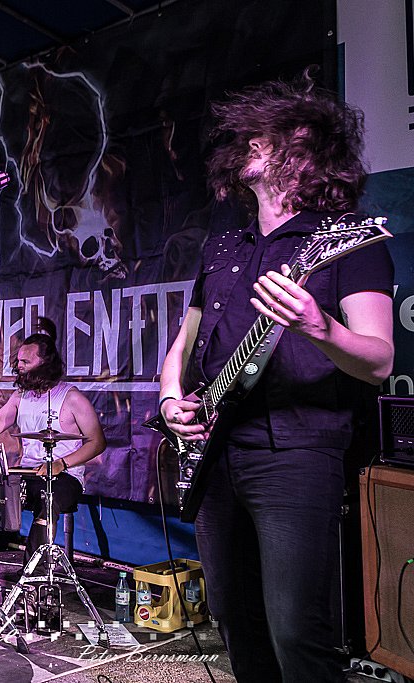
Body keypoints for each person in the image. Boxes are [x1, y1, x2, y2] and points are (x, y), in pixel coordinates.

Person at [158, 74, 394, 683]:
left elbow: (379, 360)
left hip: (295, 452)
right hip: (216, 452)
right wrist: (171, 400)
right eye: (252, 135)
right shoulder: (223, 247)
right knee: (234, 622)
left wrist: (320, 328)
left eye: (272, 134)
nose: (254, 143)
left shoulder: (346, 242)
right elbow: (182, 345)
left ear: (310, 152)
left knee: (297, 632)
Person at [0, 333, 106, 562]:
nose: (19, 367)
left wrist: (61, 463)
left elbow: (98, 442)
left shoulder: (71, 398)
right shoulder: (20, 396)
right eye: (18, 361)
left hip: (65, 476)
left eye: (26, 362)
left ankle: (33, 571)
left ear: (45, 363)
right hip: (28, 472)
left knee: (48, 498)